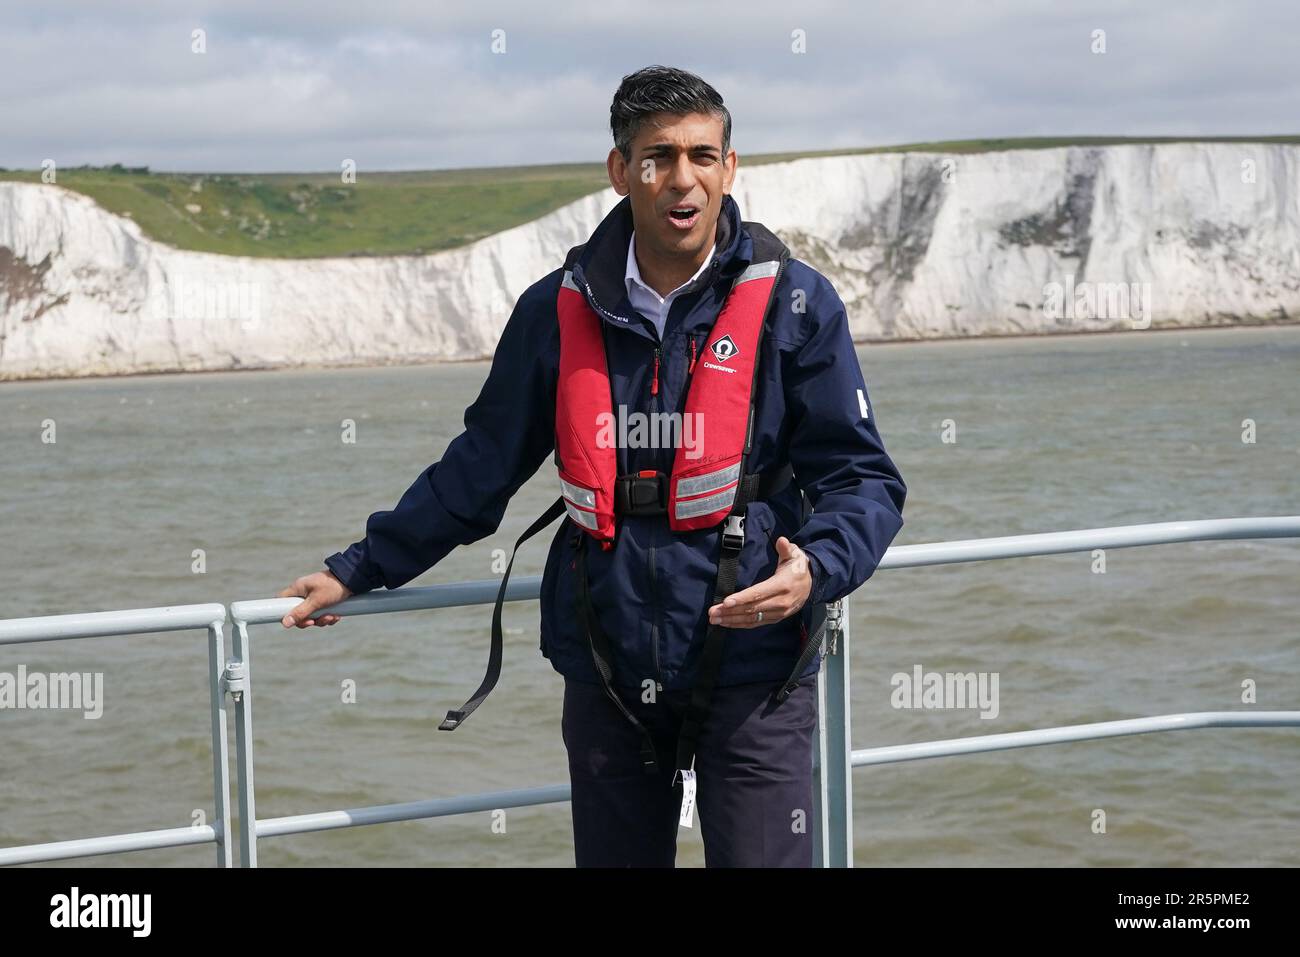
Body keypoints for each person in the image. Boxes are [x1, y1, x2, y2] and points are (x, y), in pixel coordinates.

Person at [279, 65, 907, 868]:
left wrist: (817, 568)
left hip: (756, 671)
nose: (684, 179)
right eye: (658, 156)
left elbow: (865, 479)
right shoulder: (555, 309)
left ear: (730, 166)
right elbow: (480, 469)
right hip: (607, 669)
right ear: (621, 170)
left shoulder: (796, 305)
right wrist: (358, 567)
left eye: (704, 155)